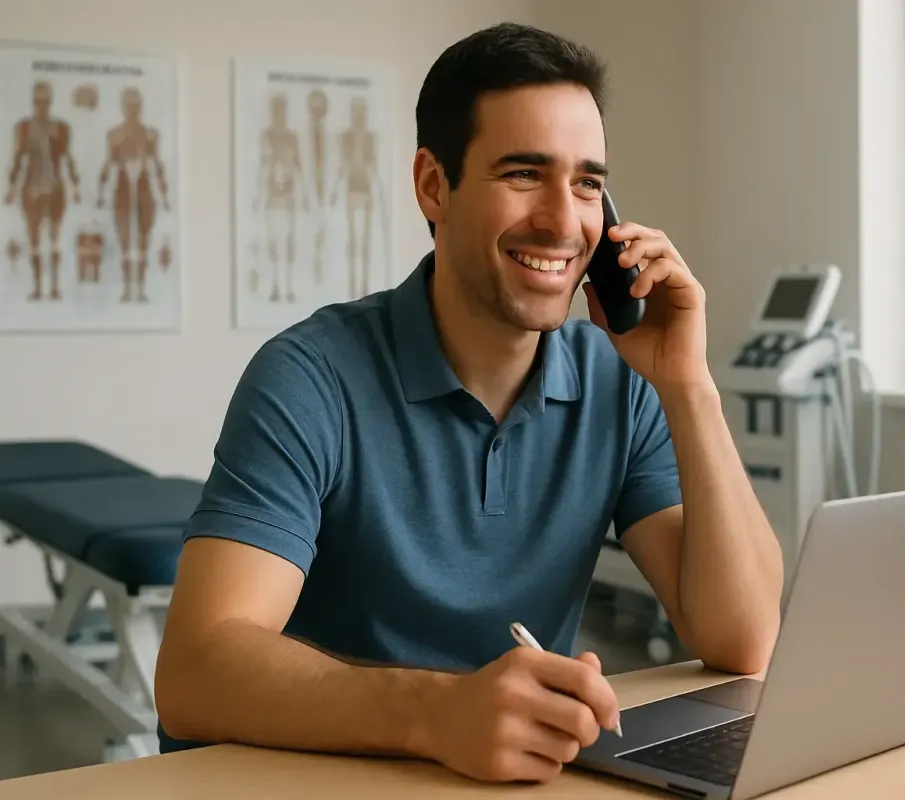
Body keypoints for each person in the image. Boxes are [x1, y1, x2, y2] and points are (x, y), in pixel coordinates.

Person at [154, 21, 783, 784]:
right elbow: (194, 671)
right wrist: (436, 713)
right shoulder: (309, 378)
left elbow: (741, 640)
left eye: (588, 183)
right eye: (524, 173)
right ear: (433, 185)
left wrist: (689, 384)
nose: (564, 221)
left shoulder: (620, 380)